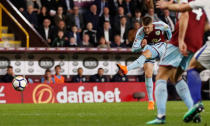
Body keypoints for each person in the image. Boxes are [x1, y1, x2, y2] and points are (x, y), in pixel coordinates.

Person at [146, 0, 209, 124]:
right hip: (196, 43)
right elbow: (206, 24)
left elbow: (184, 14)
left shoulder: (185, 1)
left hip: (180, 41)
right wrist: (196, 33)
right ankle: (193, 110)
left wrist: (181, 40)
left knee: (161, 75)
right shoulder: (202, 3)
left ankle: (161, 116)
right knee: (177, 77)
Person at [117, 16, 172, 110]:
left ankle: (126, 69)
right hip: (149, 48)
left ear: (152, 25)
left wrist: (169, 38)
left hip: (161, 46)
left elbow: (168, 29)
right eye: (145, 27)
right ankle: (151, 101)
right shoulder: (140, 32)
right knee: (148, 74)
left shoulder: (160, 25)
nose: (146, 30)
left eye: (148, 28)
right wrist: (142, 46)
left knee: (147, 52)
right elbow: (134, 49)